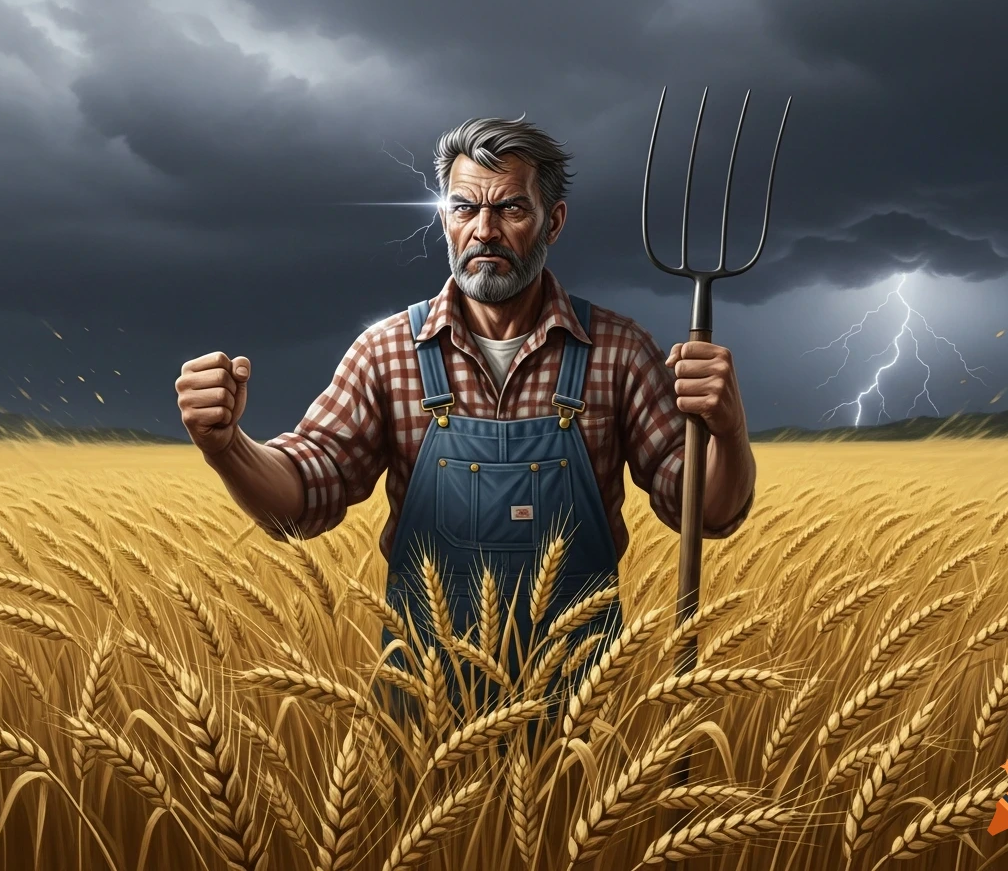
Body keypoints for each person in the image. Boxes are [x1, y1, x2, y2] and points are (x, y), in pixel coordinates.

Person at [175, 116, 756, 692]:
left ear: (552, 222)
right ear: (445, 220)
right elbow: (302, 496)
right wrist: (227, 448)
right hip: (423, 712)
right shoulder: (386, 352)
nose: (484, 230)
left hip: (580, 714)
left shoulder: (619, 351)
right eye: (463, 209)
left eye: (510, 209)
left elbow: (704, 512)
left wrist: (728, 430)